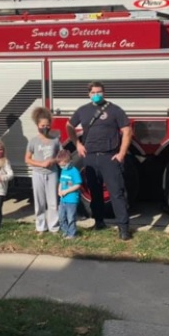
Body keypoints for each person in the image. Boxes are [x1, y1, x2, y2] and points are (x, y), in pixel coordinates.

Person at [66, 81, 133, 240]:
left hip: (109, 157)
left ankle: (123, 228)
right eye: (93, 92)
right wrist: (78, 144)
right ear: (88, 94)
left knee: (117, 193)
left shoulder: (115, 110)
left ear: (104, 93)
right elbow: (69, 126)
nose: (96, 94)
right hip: (89, 158)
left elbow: (127, 131)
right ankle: (99, 222)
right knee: (95, 193)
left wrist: (122, 153)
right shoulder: (82, 111)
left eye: (99, 92)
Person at [24, 107, 61, 234]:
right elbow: (27, 159)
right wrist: (40, 163)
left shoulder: (55, 140)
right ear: (37, 125)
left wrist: (52, 161)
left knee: (53, 201)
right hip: (38, 173)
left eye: (47, 125)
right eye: (42, 125)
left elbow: (61, 156)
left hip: (52, 173)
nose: (45, 127)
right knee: (39, 201)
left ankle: (54, 226)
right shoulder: (33, 141)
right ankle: (41, 226)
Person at [56, 149, 82, 239]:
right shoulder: (63, 171)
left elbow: (78, 185)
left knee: (71, 217)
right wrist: (59, 190)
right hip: (63, 199)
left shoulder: (74, 171)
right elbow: (61, 182)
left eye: (63, 165)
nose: (62, 167)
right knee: (61, 217)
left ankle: (72, 234)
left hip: (71, 199)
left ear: (69, 161)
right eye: (60, 166)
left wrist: (66, 191)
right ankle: (65, 231)